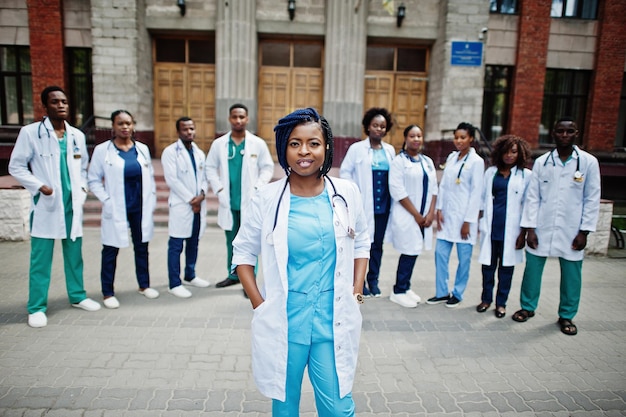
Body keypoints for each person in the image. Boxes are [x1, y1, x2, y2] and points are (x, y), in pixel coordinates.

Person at [232, 108, 370, 416]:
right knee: (284, 407)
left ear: (327, 147)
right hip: (286, 321)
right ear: (283, 148)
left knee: (338, 408)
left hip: (331, 322)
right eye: (294, 143)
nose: (304, 151)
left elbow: (361, 240)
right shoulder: (266, 199)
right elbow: (242, 253)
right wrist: (259, 303)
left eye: (313, 143)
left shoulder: (345, 192)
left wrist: (356, 290)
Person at [9, 86, 101, 327]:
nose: (61, 105)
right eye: (55, 102)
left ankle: (78, 296)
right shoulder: (30, 133)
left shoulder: (77, 136)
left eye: (64, 101)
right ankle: (36, 307)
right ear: (45, 106)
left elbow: (82, 169)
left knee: (74, 255)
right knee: (41, 259)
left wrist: (81, 190)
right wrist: (40, 186)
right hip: (46, 206)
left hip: (72, 205)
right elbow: (16, 166)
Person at [513, 117, 601, 336]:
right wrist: (530, 228)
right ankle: (527, 307)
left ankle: (567, 315)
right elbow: (533, 197)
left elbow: (592, 198)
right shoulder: (543, 162)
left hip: (572, 228)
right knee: (533, 269)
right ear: (553, 133)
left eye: (569, 131)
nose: (564, 135)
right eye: (560, 131)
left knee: (572, 273)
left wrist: (584, 231)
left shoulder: (588, 162)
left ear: (576, 133)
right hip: (542, 226)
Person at [87, 110, 158, 309]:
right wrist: (106, 200)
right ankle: (107, 292)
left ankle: (144, 285)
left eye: (128, 123)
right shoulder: (103, 150)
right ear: (113, 126)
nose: (125, 127)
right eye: (120, 123)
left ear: (133, 125)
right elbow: (93, 179)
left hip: (139, 207)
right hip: (117, 207)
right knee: (110, 249)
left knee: (142, 247)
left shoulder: (142, 149)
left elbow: (149, 176)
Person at [205, 104, 274, 289]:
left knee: (250, 242)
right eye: (235, 117)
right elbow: (210, 167)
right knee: (231, 241)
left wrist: (258, 187)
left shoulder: (257, 143)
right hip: (228, 201)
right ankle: (233, 275)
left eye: (241, 117)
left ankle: (248, 283)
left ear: (247, 119)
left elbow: (267, 167)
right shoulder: (219, 144)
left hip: (250, 201)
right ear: (229, 119)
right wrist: (218, 189)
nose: (238, 120)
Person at [339, 107, 396, 297]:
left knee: (377, 245)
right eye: (375, 125)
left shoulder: (390, 151)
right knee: (360, 244)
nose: (378, 129)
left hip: (383, 207)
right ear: (367, 127)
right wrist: (355, 192)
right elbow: (345, 172)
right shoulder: (356, 149)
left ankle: (374, 281)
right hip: (362, 206)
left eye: (382, 126)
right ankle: (360, 282)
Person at [427, 122, 484, 308]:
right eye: (456, 137)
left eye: (463, 137)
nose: (458, 141)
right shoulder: (452, 157)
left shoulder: (476, 162)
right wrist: (439, 210)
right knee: (440, 255)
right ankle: (442, 292)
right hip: (447, 217)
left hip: (464, 220)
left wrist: (468, 221)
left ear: (471, 139)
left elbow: (477, 193)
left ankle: (458, 293)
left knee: (463, 260)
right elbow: (443, 186)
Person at [476, 135, 531, 318]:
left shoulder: (525, 176)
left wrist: (523, 233)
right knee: (488, 268)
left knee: (506, 269)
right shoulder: (491, 173)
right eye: (506, 151)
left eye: (513, 152)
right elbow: (483, 200)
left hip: (512, 231)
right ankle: (486, 299)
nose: (509, 155)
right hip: (491, 228)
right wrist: (479, 223)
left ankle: (501, 303)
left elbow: (528, 205)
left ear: (520, 154)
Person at [387, 125, 438, 308]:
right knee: (408, 251)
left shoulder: (427, 161)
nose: (416, 139)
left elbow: (433, 189)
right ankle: (398, 291)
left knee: (414, 250)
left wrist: (430, 213)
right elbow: (396, 190)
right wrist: (417, 215)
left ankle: (406, 287)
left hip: (424, 216)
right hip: (408, 215)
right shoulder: (399, 161)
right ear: (406, 138)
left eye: (419, 135)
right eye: (412, 136)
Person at [161, 117, 211, 298]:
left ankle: (190, 275)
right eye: (185, 129)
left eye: (191, 128)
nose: (189, 132)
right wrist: (193, 200)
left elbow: (204, 177)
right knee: (176, 245)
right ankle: (174, 283)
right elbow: (172, 180)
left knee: (193, 242)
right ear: (178, 132)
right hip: (182, 205)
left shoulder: (199, 153)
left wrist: (202, 194)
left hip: (198, 204)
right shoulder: (170, 152)